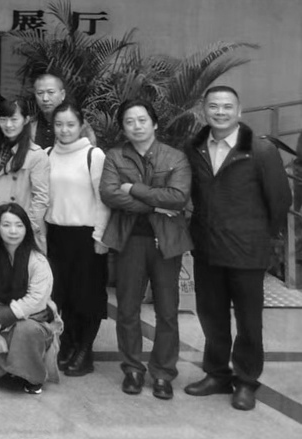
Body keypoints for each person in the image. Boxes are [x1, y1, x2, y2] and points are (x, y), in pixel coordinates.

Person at [182, 85, 292, 411]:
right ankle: (216, 373)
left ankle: (245, 381)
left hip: (247, 251)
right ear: (204, 111)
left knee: (248, 321)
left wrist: (258, 236)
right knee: (211, 316)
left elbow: (280, 200)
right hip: (207, 249)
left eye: (227, 106)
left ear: (239, 111)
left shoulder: (260, 150)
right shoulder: (194, 148)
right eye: (213, 106)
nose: (220, 112)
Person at [100, 99, 192, 400]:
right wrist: (155, 204)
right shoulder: (115, 156)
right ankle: (132, 369)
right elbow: (110, 194)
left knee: (167, 311)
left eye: (142, 120)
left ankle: (163, 373)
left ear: (154, 123)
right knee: (127, 308)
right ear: (123, 127)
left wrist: (135, 190)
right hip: (129, 241)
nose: (136, 126)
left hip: (167, 241)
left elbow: (177, 197)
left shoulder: (175, 156)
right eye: (129, 121)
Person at [44, 102, 108, 377]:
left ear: (81, 125)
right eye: (59, 124)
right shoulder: (47, 154)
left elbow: (103, 200)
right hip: (56, 235)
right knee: (62, 294)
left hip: (87, 236)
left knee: (87, 296)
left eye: (70, 124)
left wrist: (100, 236)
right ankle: (68, 345)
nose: (65, 130)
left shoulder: (94, 155)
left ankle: (85, 350)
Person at [0, 203, 60, 394]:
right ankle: (9, 371)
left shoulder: (38, 260)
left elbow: (36, 300)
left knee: (25, 330)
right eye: (6, 225)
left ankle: (32, 376)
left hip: (33, 318)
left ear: (26, 229)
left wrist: (1, 319)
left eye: (19, 225)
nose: (13, 231)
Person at [0, 98, 50, 258]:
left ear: (26, 120)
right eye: (3, 119)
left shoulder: (36, 155)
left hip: (19, 228)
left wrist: (25, 227)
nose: (8, 125)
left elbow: (40, 199)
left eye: (14, 119)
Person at [31, 73, 96, 149]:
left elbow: (90, 151)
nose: (45, 98)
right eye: (40, 93)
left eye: (51, 92)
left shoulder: (77, 124)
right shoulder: (29, 124)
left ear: (62, 95)